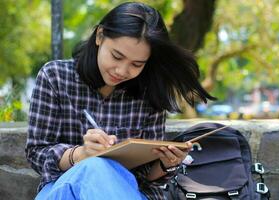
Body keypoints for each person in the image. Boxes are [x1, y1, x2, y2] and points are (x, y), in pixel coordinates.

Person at [25, 2, 216, 200]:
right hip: (63, 189)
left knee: (101, 169)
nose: (122, 71)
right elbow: (37, 152)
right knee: (95, 166)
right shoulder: (55, 76)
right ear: (100, 36)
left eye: (137, 64)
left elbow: (146, 176)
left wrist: (166, 164)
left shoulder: (150, 92)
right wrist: (80, 155)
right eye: (116, 56)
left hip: (129, 192)